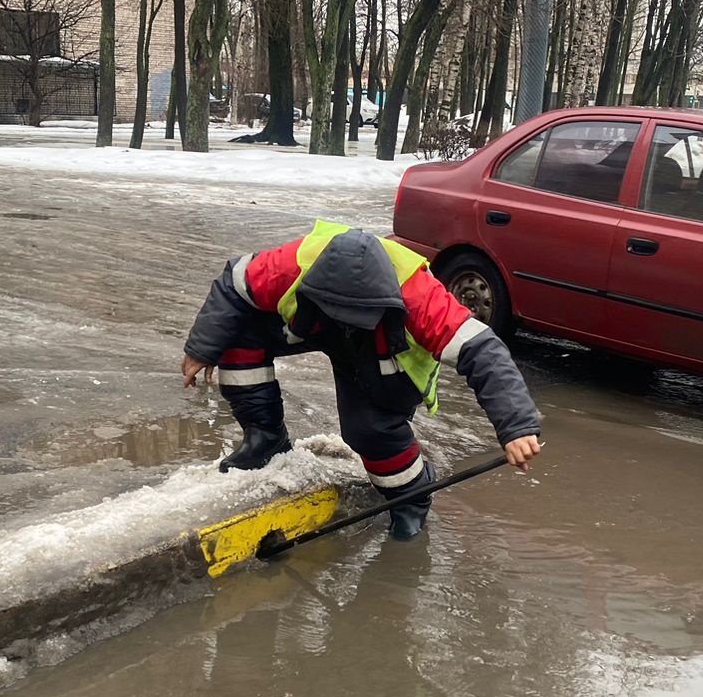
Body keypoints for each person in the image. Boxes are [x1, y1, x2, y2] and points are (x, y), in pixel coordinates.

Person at [181, 222, 543, 540]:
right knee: (234, 334)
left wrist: (516, 427)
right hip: (314, 321)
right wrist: (203, 346)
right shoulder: (291, 266)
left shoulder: (419, 298)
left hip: (384, 352)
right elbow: (233, 284)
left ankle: (411, 497)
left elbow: (484, 352)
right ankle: (265, 440)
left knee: (368, 431)